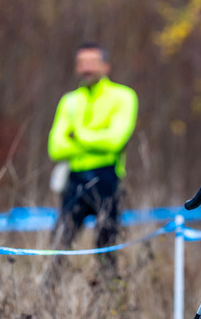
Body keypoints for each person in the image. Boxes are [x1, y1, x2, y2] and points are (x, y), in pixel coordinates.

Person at [47, 43, 138, 268]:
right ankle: (51, 296)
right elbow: (55, 148)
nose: (86, 68)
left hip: (107, 178)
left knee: (106, 248)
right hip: (74, 179)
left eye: (92, 63)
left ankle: (109, 296)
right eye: (81, 63)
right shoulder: (69, 101)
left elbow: (115, 141)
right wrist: (97, 138)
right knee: (59, 245)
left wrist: (76, 135)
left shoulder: (123, 96)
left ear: (105, 66)